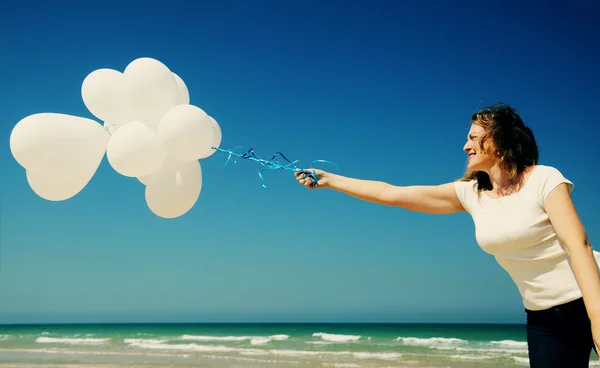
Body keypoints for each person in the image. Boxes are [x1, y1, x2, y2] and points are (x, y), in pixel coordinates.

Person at [294, 103, 598, 368]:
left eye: (473, 137)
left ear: (498, 141)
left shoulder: (543, 178)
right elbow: (392, 193)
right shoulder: (470, 194)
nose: (466, 145)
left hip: (592, 295)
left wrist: (597, 321)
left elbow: (578, 246)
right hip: (542, 316)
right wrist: (330, 180)